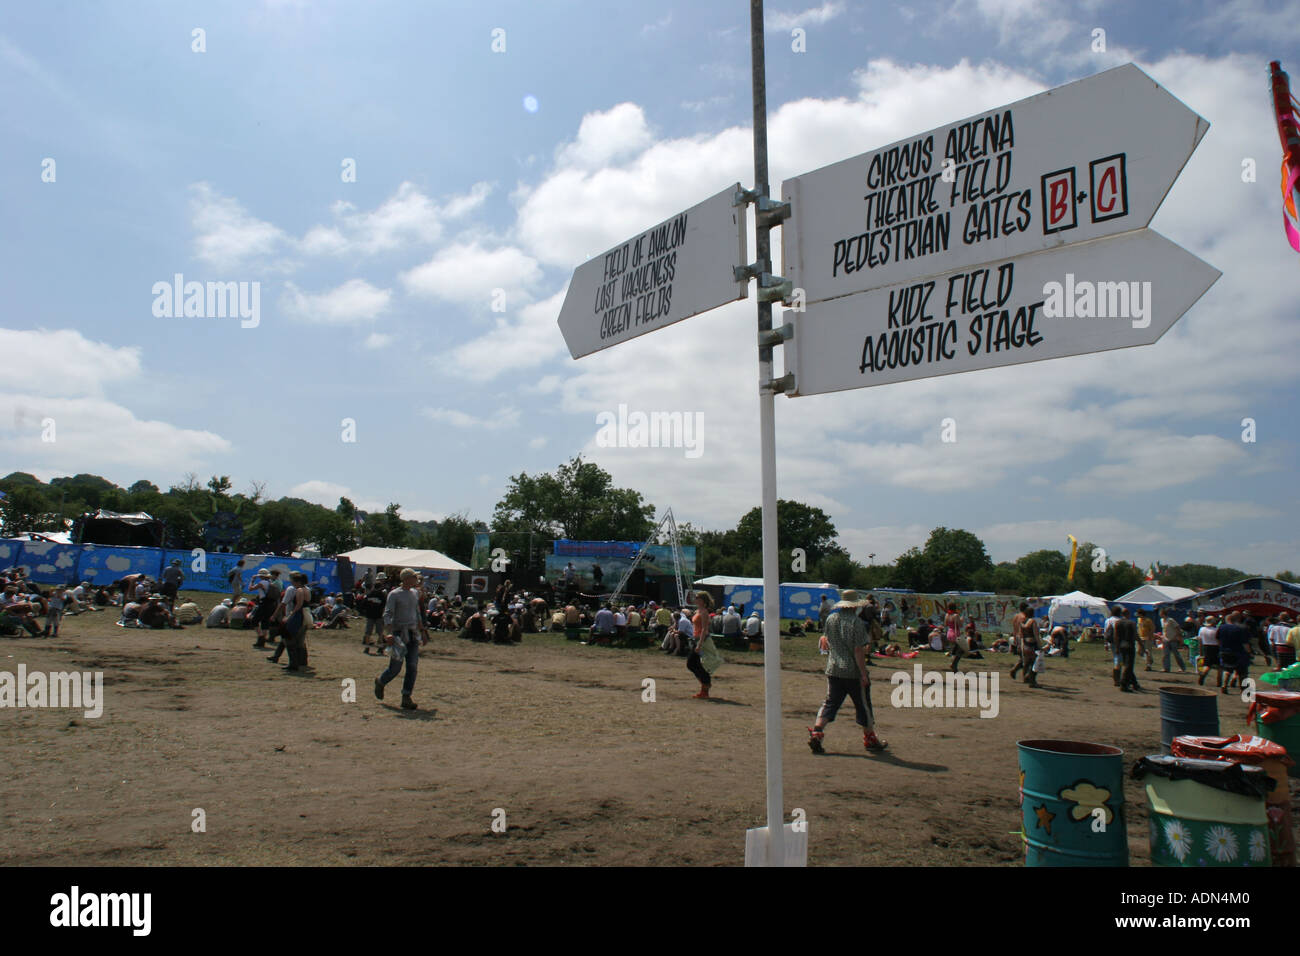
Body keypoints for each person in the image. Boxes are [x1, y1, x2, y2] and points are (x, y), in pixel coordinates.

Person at [806, 590, 887, 755]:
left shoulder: (831, 618)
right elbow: (858, 650)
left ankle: (817, 732)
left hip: (833, 668)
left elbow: (825, 640)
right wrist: (863, 673)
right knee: (863, 705)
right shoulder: (856, 623)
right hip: (852, 671)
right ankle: (870, 738)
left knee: (830, 702)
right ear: (855, 606)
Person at [374, 568, 428, 710]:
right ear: (406, 579)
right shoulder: (394, 594)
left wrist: (423, 631)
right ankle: (381, 682)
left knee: (412, 666)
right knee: (395, 668)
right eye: (413, 577)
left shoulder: (415, 593)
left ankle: (406, 697)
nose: (416, 580)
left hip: (412, 633)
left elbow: (417, 613)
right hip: (398, 634)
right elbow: (387, 614)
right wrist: (389, 633)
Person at [686, 592, 722, 699]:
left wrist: (699, 644)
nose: (695, 599)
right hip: (697, 639)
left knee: (693, 664)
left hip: (703, 640)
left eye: (697, 598)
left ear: (702, 600)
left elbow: (704, 629)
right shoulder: (698, 611)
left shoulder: (704, 612)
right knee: (694, 664)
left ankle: (705, 687)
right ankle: (704, 686)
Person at [1216, 611, 1254, 694]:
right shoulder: (1241, 628)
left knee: (1227, 670)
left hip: (1225, 651)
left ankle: (1224, 685)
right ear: (1236, 619)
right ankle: (1243, 689)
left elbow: (1217, 639)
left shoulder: (1221, 627)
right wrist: (1250, 652)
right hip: (1239, 652)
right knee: (1242, 672)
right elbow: (1245, 643)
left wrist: (1222, 647)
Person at [1114, 607, 1141, 692]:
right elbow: (1136, 635)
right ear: (1128, 614)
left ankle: (1135, 684)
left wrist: (1117, 647)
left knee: (1126, 664)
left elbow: (1116, 637)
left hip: (1121, 645)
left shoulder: (1117, 623)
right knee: (1129, 665)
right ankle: (1124, 684)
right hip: (1129, 645)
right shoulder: (1131, 623)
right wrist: (1141, 644)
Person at [1159, 609, 1188, 673]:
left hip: (1173, 639)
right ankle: (1166, 668)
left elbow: (1177, 628)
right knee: (1165, 654)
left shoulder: (1170, 620)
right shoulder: (1162, 620)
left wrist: (1177, 637)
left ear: (1163, 613)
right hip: (1166, 639)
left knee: (1176, 654)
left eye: (1160, 613)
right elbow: (1164, 629)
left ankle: (1182, 667)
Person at [1009, 603, 1030, 679]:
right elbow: (1023, 629)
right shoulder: (1024, 617)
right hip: (1023, 638)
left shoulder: (1016, 616)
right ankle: (1025, 676)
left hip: (1017, 637)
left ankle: (1015, 670)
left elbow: (1014, 629)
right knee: (1027, 658)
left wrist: (1015, 638)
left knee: (1023, 658)